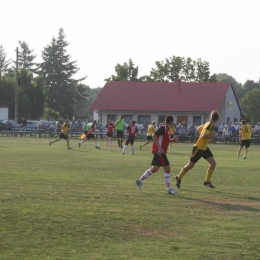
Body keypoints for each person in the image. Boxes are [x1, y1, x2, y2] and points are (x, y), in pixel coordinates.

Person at [175, 110, 220, 189]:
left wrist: (207, 138)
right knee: (190, 165)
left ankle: (207, 181)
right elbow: (203, 136)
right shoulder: (210, 125)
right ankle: (178, 178)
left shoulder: (207, 123)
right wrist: (213, 136)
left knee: (213, 163)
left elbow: (199, 129)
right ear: (217, 119)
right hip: (199, 148)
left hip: (204, 148)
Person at [135, 115, 178, 195]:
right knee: (167, 169)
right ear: (171, 122)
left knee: (154, 169)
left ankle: (140, 180)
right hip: (159, 152)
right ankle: (169, 189)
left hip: (159, 152)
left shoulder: (167, 129)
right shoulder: (164, 127)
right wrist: (159, 147)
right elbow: (154, 135)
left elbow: (165, 139)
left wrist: (172, 140)